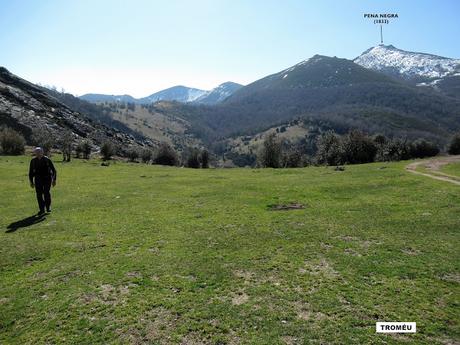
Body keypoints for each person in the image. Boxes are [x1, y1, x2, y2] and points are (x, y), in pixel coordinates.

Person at [29, 147, 57, 214]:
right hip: (38, 179)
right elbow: (31, 172)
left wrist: (54, 180)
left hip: (47, 178)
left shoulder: (47, 159)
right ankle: (41, 209)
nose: (38, 153)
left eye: (40, 152)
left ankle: (48, 207)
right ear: (35, 153)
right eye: (37, 152)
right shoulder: (33, 161)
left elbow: (54, 170)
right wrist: (31, 182)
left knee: (46, 193)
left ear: (42, 152)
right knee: (39, 194)